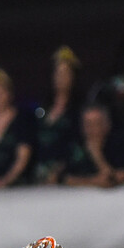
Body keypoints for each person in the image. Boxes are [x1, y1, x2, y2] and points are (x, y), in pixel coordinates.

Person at [32, 48, 83, 185]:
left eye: (66, 73)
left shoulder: (79, 109)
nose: (61, 78)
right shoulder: (43, 108)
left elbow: (78, 146)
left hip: (65, 175)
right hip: (39, 174)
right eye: (58, 73)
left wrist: (60, 171)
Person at [63, 104, 124, 187]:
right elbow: (65, 178)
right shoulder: (75, 146)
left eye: (97, 124)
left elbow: (118, 178)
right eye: (88, 124)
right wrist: (94, 181)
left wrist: (97, 156)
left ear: (107, 125)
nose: (92, 129)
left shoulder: (117, 144)